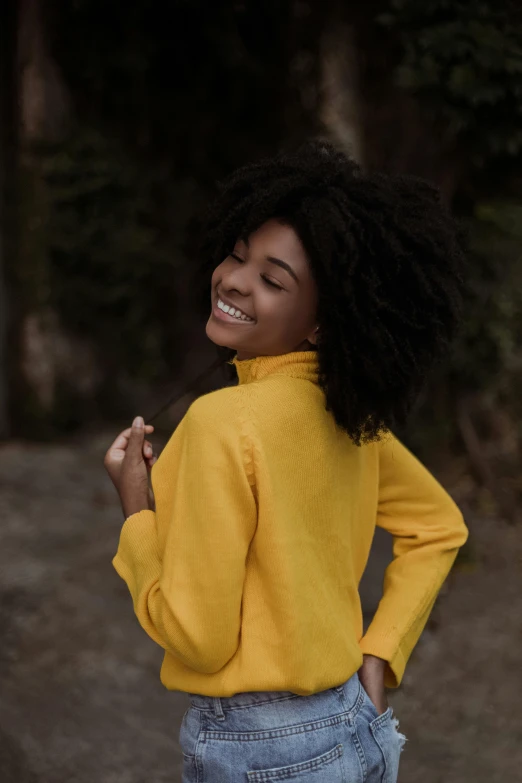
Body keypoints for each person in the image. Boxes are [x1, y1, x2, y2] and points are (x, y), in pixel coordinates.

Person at [104, 140, 469, 783]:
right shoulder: (351, 421)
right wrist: (378, 657)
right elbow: (439, 527)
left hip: (258, 752)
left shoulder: (221, 423)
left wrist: (136, 510)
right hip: (358, 731)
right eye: (238, 255)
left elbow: (197, 637)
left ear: (322, 323)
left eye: (274, 280)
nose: (237, 281)